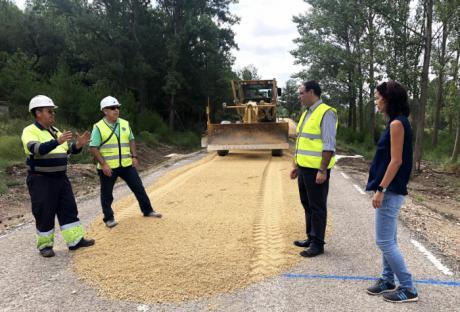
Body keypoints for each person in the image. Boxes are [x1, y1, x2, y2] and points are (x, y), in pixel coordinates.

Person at [21, 95, 95, 258]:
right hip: (41, 179)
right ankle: (45, 245)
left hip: (61, 178)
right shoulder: (30, 131)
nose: (53, 114)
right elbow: (37, 149)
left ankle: (75, 241)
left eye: (53, 111)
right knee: (44, 211)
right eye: (50, 111)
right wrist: (57, 141)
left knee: (68, 208)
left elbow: (67, 151)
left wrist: (78, 145)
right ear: (38, 113)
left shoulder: (55, 131)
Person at [365, 81, 418, 303]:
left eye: (378, 97)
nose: (376, 101)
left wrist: (381, 189)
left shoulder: (397, 124)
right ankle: (387, 279)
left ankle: (408, 288)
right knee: (390, 238)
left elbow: (396, 161)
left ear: (388, 100)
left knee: (384, 241)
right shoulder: (397, 122)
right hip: (391, 190)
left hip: (390, 190)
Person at [89, 96, 162, 228]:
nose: (116, 110)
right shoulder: (98, 127)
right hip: (109, 167)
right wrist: (104, 164)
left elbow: (131, 140)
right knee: (107, 194)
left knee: (139, 188)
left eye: (117, 107)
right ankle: (109, 218)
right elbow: (93, 147)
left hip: (126, 164)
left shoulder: (124, 123)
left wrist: (134, 156)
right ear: (105, 111)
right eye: (112, 108)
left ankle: (148, 210)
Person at [290, 81, 337, 257]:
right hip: (303, 168)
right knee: (307, 204)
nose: (299, 96)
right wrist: (295, 165)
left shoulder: (326, 113)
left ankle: (318, 244)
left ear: (311, 92)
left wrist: (322, 170)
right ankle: (311, 237)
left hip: (316, 169)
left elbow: (328, 145)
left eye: (301, 93)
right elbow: (301, 141)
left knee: (317, 207)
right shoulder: (307, 114)